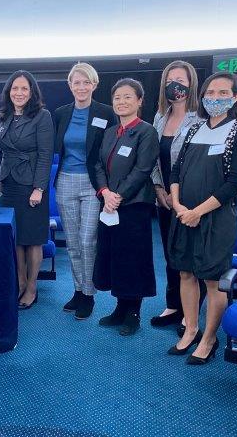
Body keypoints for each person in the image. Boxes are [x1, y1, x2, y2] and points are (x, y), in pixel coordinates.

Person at [168, 71, 237, 364]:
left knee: (212, 280)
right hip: (184, 214)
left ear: (235, 97)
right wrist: (178, 205)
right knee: (185, 272)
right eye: (210, 93)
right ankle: (191, 329)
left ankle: (209, 339)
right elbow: (176, 170)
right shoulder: (193, 129)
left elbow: (235, 182)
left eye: (222, 93)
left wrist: (197, 212)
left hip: (215, 219)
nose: (215, 98)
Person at [93, 78, 159, 336]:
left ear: (140, 101)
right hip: (109, 205)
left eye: (128, 97)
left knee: (133, 259)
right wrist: (105, 192)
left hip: (133, 206)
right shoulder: (110, 132)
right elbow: (98, 165)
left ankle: (134, 313)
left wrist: (118, 196)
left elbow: (143, 169)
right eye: (117, 97)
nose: (122, 102)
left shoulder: (146, 131)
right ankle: (120, 307)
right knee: (115, 257)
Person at [53, 63, 116, 319]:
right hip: (65, 181)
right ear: (70, 86)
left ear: (94, 85)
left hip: (93, 183)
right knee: (72, 243)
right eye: (76, 82)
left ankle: (89, 294)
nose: (81, 87)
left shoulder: (106, 112)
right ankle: (78, 290)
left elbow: (112, 149)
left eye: (86, 82)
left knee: (88, 240)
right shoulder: (60, 113)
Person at [150, 61, 207, 330]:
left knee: (190, 257)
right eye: (170, 79)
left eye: (181, 79)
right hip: (164, 199)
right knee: (171, 255)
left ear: (191, 83)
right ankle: (173, 304)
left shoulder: (202, 117)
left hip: (191, 200)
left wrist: (180, 197)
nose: (176, 84)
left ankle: (190, 312)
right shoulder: (160, 117)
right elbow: (153, 158)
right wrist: (159, 190)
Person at [0, 70, 54, 310]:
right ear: (8, 92)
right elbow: (1, 150)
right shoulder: (4, 115)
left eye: (24, 89)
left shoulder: (42, 116)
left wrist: (39, 188)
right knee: (16, 237)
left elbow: (45, 155)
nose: (19, 93)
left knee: (33, 240)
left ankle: (32, 288)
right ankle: (19, 282)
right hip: (8, 184)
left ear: (32, 93)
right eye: (14, 89)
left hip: (31, 185)